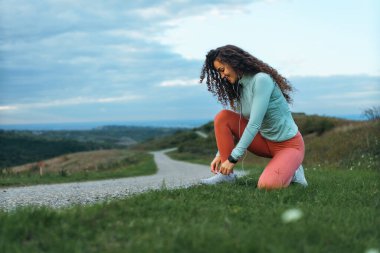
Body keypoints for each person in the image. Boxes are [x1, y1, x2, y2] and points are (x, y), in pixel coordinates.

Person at [199, 45, 307, 189]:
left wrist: (232, 158)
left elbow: (254, 124)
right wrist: (221, 154)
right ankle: (226, 176)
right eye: (219, 72)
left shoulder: (261, 80)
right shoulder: (239, 87)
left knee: (267, 185)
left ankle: (294, 170)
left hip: (288, 145)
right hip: (264, 141)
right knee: (223, 116)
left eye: (222, 70)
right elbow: (237, 124)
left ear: (233, 63)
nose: (222, 75)